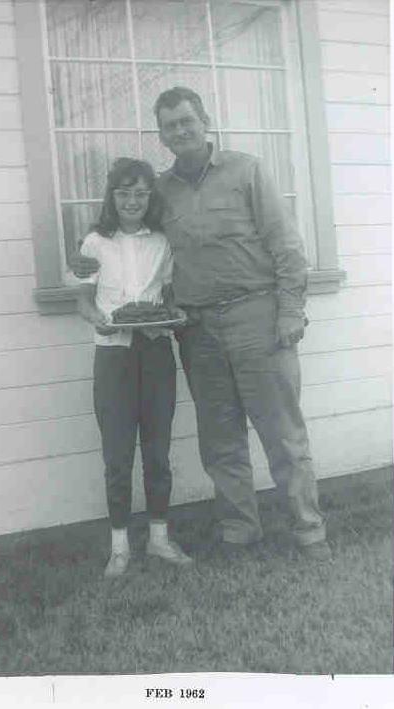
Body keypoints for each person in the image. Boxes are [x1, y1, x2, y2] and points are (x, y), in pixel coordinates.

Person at [73, 87, 331, 562]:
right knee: (220, 437)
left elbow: (287, 246)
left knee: (282, 432)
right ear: (161, 135)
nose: (180, 131)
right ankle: (240, 530)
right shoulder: (161, 192)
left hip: (257, 317)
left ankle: (309, 530)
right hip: (197, 329)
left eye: (186, 121)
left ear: (205, 121)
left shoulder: (247, 171)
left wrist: (291, 310)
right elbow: (135, 241)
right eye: (170, 125)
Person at [78, 157, 192, 578]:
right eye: (124, 193)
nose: (132, 201)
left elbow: (167, 298)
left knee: (158, 451)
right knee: (117, 455)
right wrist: (97, 319)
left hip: (156, 352)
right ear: (112, 196)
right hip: (113, 355)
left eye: (140, 194)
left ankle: (159, 539)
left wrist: (175, 314)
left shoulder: (161, 242)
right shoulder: (94, 243)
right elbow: (84, 301)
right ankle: (120, 547)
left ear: (150, 198)